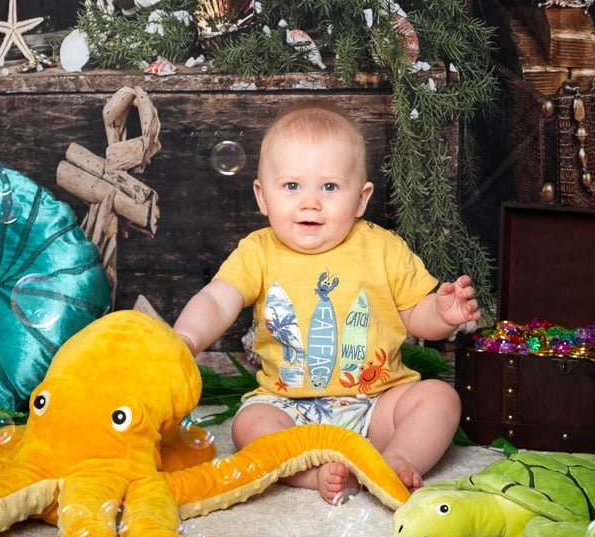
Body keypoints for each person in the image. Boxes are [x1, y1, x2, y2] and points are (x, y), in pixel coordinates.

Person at [173, 101, 479, 504]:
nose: (310, 202)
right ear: (263, 198)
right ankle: (315, 473)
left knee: (440, 399)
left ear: (361, 198)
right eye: (292, 186)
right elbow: (218, 299)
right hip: (288, 407)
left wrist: (441, 315)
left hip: (375, 406)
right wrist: (184, 339)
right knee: (248, 426)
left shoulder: (382, 248)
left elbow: (414, 316)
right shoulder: (258, 251)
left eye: (330, 187)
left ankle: (394, 459)